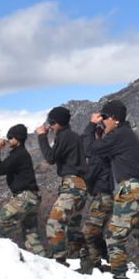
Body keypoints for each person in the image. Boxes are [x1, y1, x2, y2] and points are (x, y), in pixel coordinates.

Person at [85, 99, 139, 279]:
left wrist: (91, 125)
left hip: (132, 189)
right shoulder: (125, 134)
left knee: (114, 235)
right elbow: (102, 154)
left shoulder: (119, 135)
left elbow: (90, 150)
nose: (102, 121)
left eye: (104, 117)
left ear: (114, 118)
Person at [36, 106, 87, 262]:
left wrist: (42, 137)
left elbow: (50, 158)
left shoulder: (64, 137)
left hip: (72, 185)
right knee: (73, 228)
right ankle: (89, 262)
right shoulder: (72, 136)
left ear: (58, 123)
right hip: (80, 186)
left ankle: (59, 261)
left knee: (54, 223)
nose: (50, 126)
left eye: (52, 123)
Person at [0, 124, 44, 254]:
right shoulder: (21, 154)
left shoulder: (18, 155)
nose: (8, 140)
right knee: (31, 236)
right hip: (33, 198)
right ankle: (44, 263)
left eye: (10, 137)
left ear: (17, 139)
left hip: (23, 198)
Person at [78, 117, 114, 274]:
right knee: (96, 232)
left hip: (102, 198)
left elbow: (88, 176)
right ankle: (104, 260)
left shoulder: (97, 155)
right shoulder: (103, 153)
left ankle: (92, 266)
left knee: (89, 232)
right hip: (104, 197)